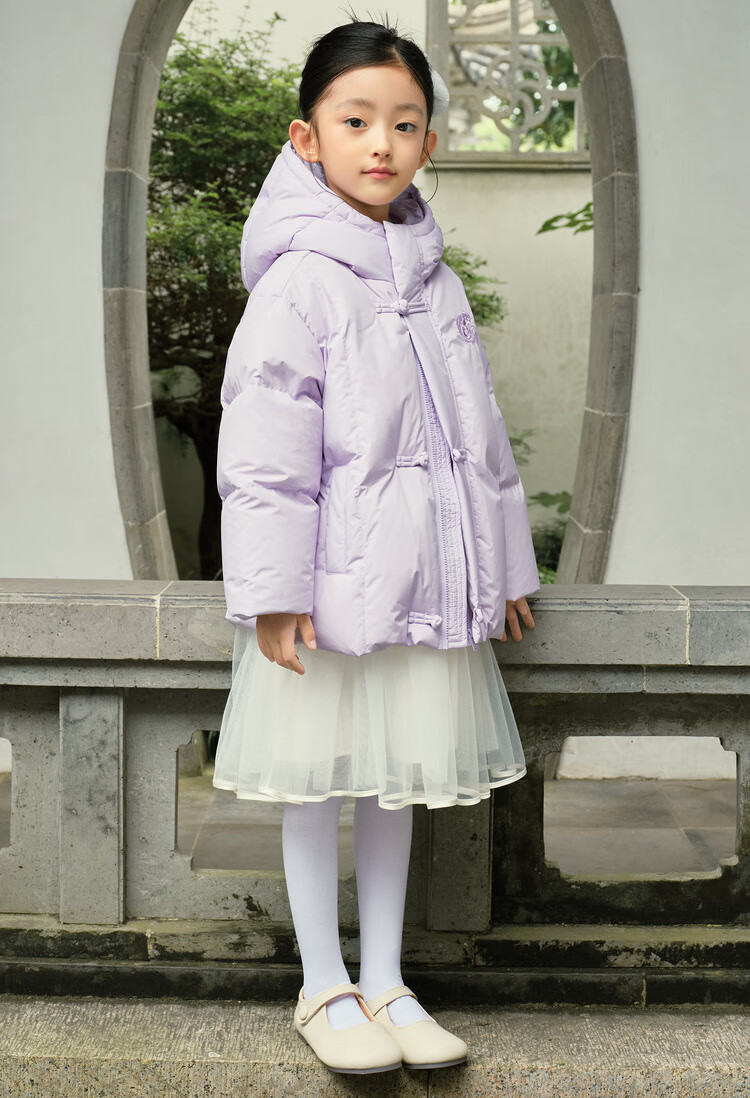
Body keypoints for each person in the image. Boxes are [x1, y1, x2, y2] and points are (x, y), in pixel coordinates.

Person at [212, 13, 540, 1076]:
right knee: (317, 783)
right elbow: (265, 449)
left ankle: (389, 979)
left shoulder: (436, 281)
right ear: (307, 138)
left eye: (404, 124)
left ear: (428, 142)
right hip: (324, 595)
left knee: (397, 780)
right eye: (355, 121)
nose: (381, 144)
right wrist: (272, 590)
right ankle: (323, 984)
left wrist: (506, 568)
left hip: (421, 587)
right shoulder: (299, 280)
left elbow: (480, 439)